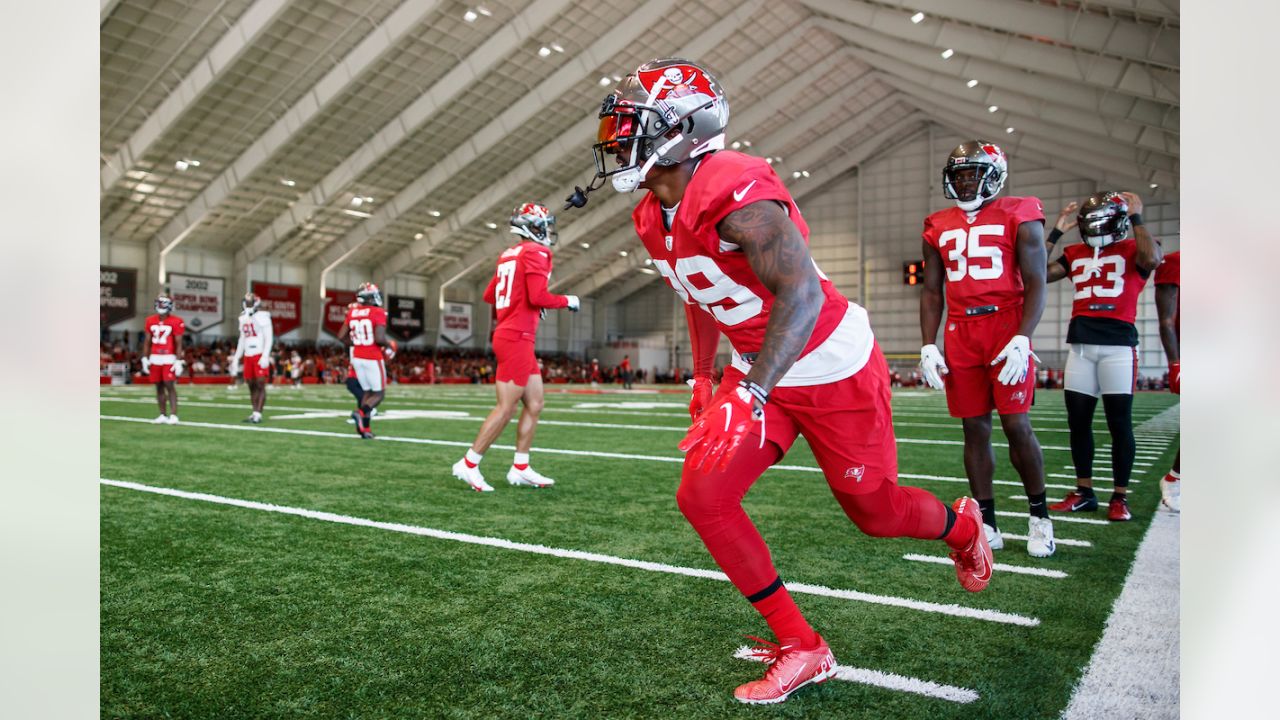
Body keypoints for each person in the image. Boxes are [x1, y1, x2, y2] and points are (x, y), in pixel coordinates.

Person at [587, 58, 992, 705]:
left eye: (633, 120)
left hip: (829, 361)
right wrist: (701, 376)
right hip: (762, 364)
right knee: (703, 496)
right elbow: (699, 291)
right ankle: (804, 645)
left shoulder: (732, 184)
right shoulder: (650, 215)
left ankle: (963, 528)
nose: (617, 134)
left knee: (876, 513)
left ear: (686, 127)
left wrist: (746, 393)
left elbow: (800, 294)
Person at [918, 141, 1055, 557]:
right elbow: (931, 291)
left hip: (1005, 323)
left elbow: (1036, 281)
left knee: (1017, 425)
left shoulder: (1021, 212)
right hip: (961, 331)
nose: (964, 181)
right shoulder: (936, 223)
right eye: (958, 174)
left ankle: (1040, 517)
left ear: (994, 175)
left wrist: (1022, 335)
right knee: (973, 428)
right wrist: (927, 343)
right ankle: (988, 521)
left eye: (972, 173)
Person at [1045, 192, 1162, 521]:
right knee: (1078, 424)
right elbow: (1034, 272)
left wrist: (1138, 216)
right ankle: (1084, 492)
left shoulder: (1134, 248)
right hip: (1081, 346)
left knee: (1119, 424)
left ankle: (1120, 496)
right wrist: (1056, 232)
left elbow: (1152, 260)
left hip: (1118, 348)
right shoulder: (1076, 252)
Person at [451, 203, 580, 491]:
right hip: (516, 337)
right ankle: (469, 463)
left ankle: (520, 467)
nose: (546, 229)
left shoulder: (509, 254)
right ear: (530, 226)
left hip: (513, 334)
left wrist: (520, 303)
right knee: (506, 408)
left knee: (535, 403)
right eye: (542, 224)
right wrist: (568, 301)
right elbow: (538, 296)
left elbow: (490, 294)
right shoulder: (537, 252)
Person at [337, 283, 396, 439]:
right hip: (372, 357)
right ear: (370, 296)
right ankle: (360, 413)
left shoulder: (353, 311)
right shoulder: (378, 312)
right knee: (378, 394)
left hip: (357, 356)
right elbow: (379, 338)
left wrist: (357, 343)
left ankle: (365, 429)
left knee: (367, 393)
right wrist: (390, 345)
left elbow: (341, 336)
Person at [1154, 249, 1180, 511]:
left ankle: (1175, 477)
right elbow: (1167, 321)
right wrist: (1175, 362)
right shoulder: (1175, 261)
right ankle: (1175, 478)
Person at [141, 295, 185, 424]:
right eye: (159, 304)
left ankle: (173, 415)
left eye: (163, 304)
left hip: (168, 357)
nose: (160, 306)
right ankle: (162, 414)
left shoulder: (177, 321)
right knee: (158, 386)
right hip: (155, 357)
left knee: (169, 384)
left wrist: (178, 360)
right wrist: (145, 357)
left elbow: (179, 343)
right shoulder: (150, 320)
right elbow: (147, 342)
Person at [230, 292, 273, 423]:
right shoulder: (243, 317)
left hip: (259, 353)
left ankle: (259, 414)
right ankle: (254, 412)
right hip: (248, 355)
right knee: (251, 385)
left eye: (250, 302)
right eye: (246, 302)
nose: (247, 305)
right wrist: (236, 357)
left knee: (260, 384)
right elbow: (242, 339)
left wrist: (265, 355)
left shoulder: (263, 316)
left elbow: (268, 337)